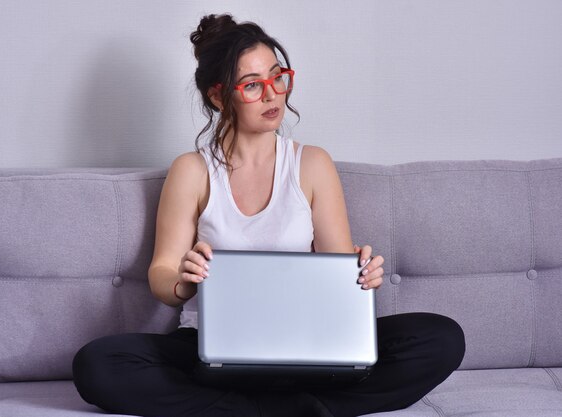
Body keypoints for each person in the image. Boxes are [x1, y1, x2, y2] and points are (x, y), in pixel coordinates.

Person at [72, 14, 465, 417]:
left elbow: (336, 267)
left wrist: (360, 274)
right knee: (97, 363)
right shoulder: (192, 171)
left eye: (278, 77)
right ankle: (298, 409)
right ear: (219, 97)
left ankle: (246, 409)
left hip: (307, 344)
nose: (272, 95)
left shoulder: (312, 164)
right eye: (253, 85)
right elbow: (162, 275)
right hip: (211, 347)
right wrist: (185, 281)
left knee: (441, 337)